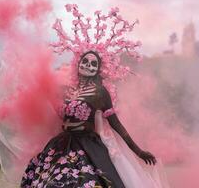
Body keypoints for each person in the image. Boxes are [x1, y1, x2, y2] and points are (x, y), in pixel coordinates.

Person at [20, 50, 158, 187]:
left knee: (85, 182)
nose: (88, 65)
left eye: (93, 64)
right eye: (85, 61)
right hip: (62, 144)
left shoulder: (100, 92)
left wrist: (138, 151)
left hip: (87, 145)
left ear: (98, 69)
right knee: (48, 181)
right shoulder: (67, 91)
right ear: (78, 64)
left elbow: (115, 123)